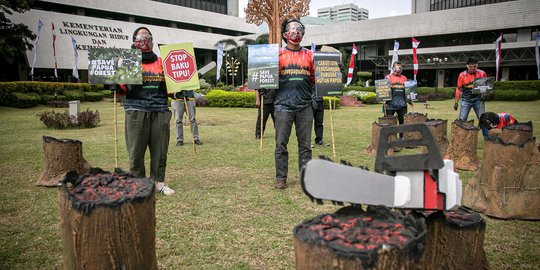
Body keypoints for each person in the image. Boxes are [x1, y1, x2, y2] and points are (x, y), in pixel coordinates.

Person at [118, 26, 175, 195]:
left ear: (152, 41)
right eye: (140, 38)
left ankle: (159, 182)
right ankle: (138, 184)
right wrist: (114, 84)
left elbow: (171, 89)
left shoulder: (162, 62)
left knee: (160, 151)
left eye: (147, 37)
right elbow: (122, 89)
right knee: (135, 152)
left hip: (160, 110)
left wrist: (181, 89)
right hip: (136, 111)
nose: (144, 41)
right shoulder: (128, 62)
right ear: (134, 41)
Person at [274, 18, 315, 189]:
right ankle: (281, 178)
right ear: (284, 34)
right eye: (292, 29)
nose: (296, 32)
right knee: (281, 144)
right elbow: (268, 78)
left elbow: (315, 79)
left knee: (305, 145)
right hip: (282, 106)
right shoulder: (277, 55)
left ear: (303, 34)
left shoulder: (310, 55)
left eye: (299, 29)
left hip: (305, 106)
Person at [384, 61, 413, 138]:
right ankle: (390, 139)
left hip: (402, 105)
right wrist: (383, 99)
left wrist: (410, 101)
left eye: (400, 68)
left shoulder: (404, 78)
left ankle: (401, 138)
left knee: (402, 122)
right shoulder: (388, 78)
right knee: (389, 123)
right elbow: (383, 90)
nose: (398, 69)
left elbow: (408, 91)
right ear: (393, 68)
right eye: (396, 67)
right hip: (390, 104)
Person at [454, 57, 487, 121]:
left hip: (478, 100)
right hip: (466, 100)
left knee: (483, 119)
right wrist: (456, 102)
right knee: (462, 119)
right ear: (467, 66)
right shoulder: (462, 75)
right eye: (470, 66)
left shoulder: (482, 73)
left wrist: (484, 95)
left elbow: (485, 86)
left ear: (477, 65)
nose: (472, 68)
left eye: (474, 66)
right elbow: (459, 89)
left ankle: (485, 131)